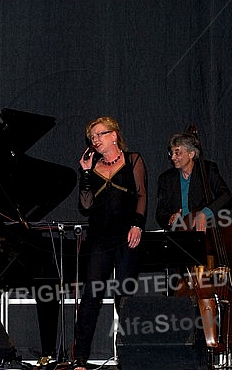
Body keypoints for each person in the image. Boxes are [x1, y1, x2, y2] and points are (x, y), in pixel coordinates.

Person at [72, 117, 147, 370]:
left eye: (99, 134)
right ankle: (80, 357)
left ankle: (129, 355)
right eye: (92, 136)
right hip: (99, 239)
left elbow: (142, 194)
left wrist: (137, 224)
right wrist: (84, 172)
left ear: (114, 135)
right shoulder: (92, 168)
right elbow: (85, 206)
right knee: (91, 296)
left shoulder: (133, 159)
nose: (95, 139)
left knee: (124, 297)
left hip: (127, 236)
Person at [156, 133, 232, 233]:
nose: (173, 157)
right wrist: (170, 218)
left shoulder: (207, 170)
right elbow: (160, 212)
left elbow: (226, 196)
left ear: (191, 154)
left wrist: (204, 213)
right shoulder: (166, 179)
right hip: (179, 234)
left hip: (207, 231)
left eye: (177, 153)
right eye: (171, 153)